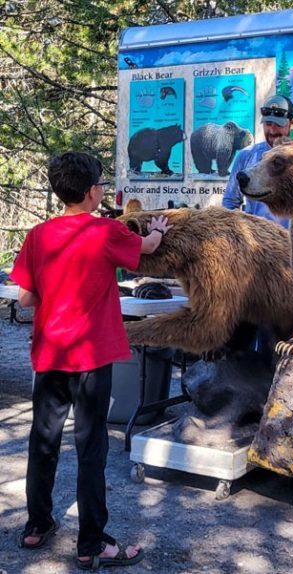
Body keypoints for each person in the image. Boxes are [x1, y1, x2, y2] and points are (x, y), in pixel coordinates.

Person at [11, 152, 173, 570]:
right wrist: (155, 230)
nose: (103, 188)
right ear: (90, 192)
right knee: (91, 446)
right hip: (91, 357)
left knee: (42, 442)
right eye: (102, 182)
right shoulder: (106, 232)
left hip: (49, 356)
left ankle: (37, 525)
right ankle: (92, 543)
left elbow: (26, 298)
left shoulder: (38, 235)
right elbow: (149, 247)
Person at [222, 94, 293, 227]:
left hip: (292, 243)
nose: (272, 130)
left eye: (278, 125)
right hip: (258, 243)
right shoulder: (246, 156)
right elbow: (230, 203)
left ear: (292, 123)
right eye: (268, 124)